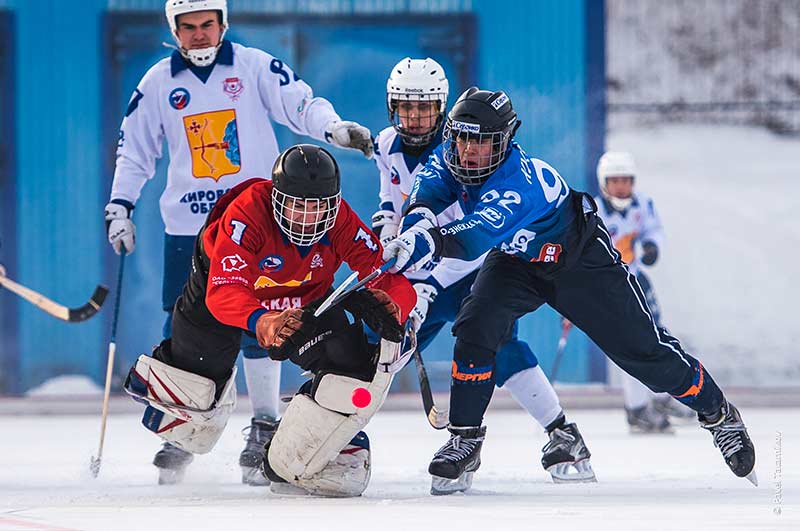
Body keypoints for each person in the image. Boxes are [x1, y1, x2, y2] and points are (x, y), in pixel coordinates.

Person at [383, 87, 757, 495]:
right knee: (476, 325)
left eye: (482, 141)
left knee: (644, 354)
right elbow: (426, 194)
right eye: (461, 138)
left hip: (577, 260)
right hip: (517, 261)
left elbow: (474, 236)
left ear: (505, 142)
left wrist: (425, 242)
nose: (468, 150)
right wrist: (414, 226)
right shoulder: (447, 157)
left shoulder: (518, 183)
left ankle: (719, 414)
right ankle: (465, 438)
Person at [103, 0, 373, 485]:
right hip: (190, 225)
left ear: (223, 25)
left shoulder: (252, 66)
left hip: (264, 221)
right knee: (189, 321)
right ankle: (185, 417)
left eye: (208, 24)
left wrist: (332, 128)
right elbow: (135, 148)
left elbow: (300, 103)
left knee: (261, 317)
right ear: (175, 31)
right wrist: (120, 206)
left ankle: (264, 423)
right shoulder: (157, 83)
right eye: (189, 27)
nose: (200, 34)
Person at [124, 144, 416, 497]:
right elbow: (224, 292)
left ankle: (307, 450)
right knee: (191, 400)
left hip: (303, 305)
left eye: (318, 208)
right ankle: (186, 419)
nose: (308, 219)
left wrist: (394, 303)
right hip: (222, 295)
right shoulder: (247, 212)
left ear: (334, 203)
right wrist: (263, 322)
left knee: (351, 361)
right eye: (297, 206)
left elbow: (384, 273)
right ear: (277, 199)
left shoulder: (340, 219)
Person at [371, 57, 595, 485]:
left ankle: (559, 432)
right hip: (418, 264)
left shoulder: (463, 147)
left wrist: (427, 283)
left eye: (425, 109)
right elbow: (390, 193)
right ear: (391, 106)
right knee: (379, 349)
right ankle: (341, 438)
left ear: (442, 109)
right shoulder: (385, 144)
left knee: (498, 345)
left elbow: (477, 229)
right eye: (406, 107)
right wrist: (387, 224)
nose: (415, 119)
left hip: (464, 266)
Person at [595, 151, 694, 433]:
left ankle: (662, 397)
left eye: (626, 180)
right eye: (615, 181)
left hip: (637, 280)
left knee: (657, 336)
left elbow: (653, 229)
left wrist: (652, 246)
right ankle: (637, 408)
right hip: (609, 287)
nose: (621, 187)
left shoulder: (643, 204)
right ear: (604, 183)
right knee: (629, 344)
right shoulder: (594, 210)